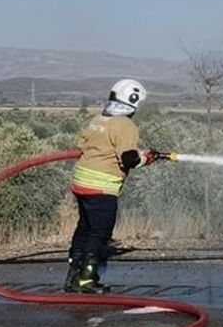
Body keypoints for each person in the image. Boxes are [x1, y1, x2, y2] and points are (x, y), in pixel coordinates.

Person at [64, 78, 163, 294]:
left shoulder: (98, 119)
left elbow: (84, 146)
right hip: (101, 186)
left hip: (81, 182)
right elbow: (128, 159)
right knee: (99, 234)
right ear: (133, 102)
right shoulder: (125, 124)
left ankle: (73, 275)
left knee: (85, 229)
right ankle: (87, 280)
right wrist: (146, 158)